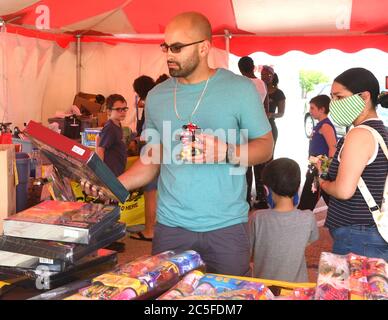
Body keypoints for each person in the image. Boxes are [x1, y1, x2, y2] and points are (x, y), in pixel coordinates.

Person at [84, 12, 273, 276]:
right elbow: (150, 161)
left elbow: (266, 146)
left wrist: (228, 151)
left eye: (177, 47)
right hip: (171, 227)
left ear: (204, 47)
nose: (169, 54)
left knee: (228, 298)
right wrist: (112, 185)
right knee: (166, 297)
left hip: (227, 226)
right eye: (166, 47)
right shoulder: (156, 97)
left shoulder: (239, 89)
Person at [319, 67, 388, 260]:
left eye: (339, 97)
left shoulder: (359, 134)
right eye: (332, 97)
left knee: (354, 290)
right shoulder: (381, 131)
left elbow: (343, 191)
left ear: (364, 97)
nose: (333, 104)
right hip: (371, 232)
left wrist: (323, 182)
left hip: (358, 235)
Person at [249, 158, 319, 282]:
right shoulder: (308, 218)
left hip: (265, 289)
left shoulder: (257, 218)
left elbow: (248, 251)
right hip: (297, 290)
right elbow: (309, 240)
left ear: (267, 190)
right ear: (298, 187)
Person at [238, 56, 269, 209]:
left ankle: (246, 199)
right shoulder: (261, 83)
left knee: (246, 163)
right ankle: (262, 197)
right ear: (253, 67)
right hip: (260, 125)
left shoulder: (242, 84)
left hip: (245, 127)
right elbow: (266, 106)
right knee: (259, 164)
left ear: (240, 69)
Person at [298, 95, 337, 210]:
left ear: (322, 109)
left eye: (312, 108)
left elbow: (333, 147)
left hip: (320, 170)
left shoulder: (325, 125)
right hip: (316, 168)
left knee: (307, 201)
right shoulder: (320, 124)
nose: (310, 111)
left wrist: (325, 170)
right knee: (319, 198)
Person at [130, 75, 157, 241]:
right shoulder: (161, 98)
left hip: (152, 153)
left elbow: (147, 134)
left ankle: (149, 230)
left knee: (150, 194)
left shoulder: (150, 103)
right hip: (165, 151)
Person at [96, 94, 128, 177]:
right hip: (110, 173)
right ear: (109, 111)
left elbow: (98, 138)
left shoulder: (117, 124)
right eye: (118, 109)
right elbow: (100, 149)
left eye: (124, 109)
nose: (123, 112)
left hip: (117, 170)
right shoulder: (110, 128)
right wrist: (100, 171)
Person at [261, 66, 286, 150]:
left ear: (273, 76)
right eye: (262, 75)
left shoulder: (278, 93)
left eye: (268, 75)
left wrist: (271, 115)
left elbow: (281, 113)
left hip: (270, 127)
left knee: (268, 156)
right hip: (257, 126)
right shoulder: (258, 89)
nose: (264, 77)